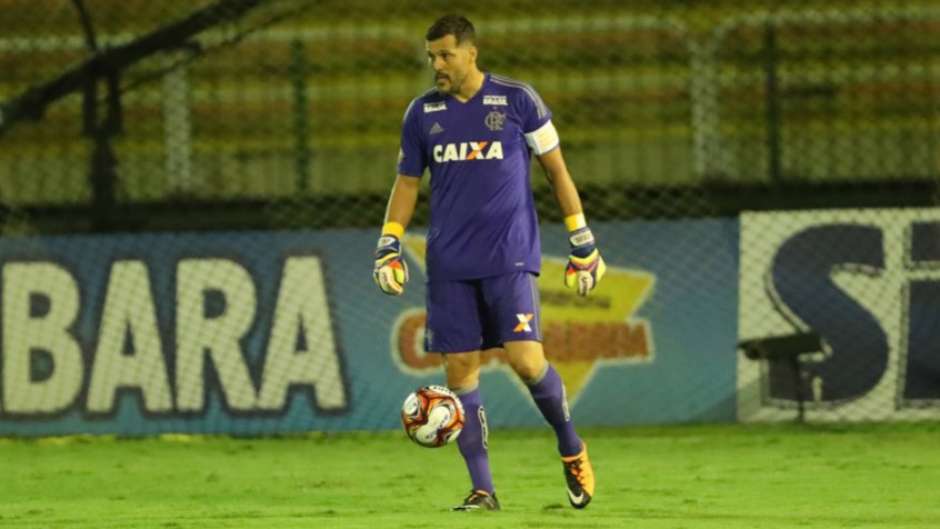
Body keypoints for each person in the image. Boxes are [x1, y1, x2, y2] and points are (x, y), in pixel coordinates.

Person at [373, 14, 605, 511]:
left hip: (510, 255)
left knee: (525, 360)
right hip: (450, 263)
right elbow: (407, 183)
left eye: (445, 55)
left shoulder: (519, 100)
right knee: (460, 370)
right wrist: (389, 244)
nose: (436, 64)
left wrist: (582, 241)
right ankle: (484, 490)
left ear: (471, 53)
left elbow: (557, 172)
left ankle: (570, 445)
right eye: (431, 55)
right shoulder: (421, 114)